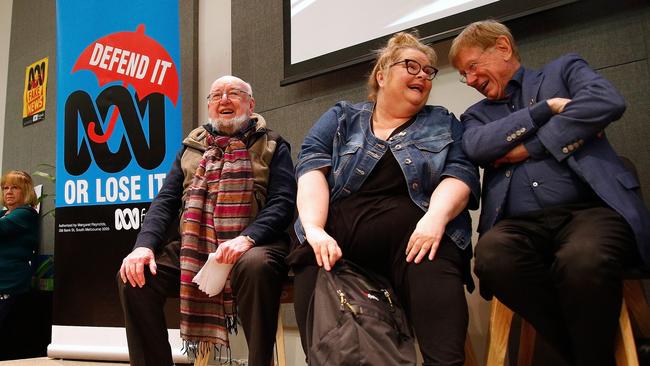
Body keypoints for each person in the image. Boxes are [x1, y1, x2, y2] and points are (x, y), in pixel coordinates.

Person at [449, 20, 650, 366]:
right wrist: (544, 110)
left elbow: (605, 102)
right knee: (493, 258)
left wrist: (532, 147)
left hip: (591, 212)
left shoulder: (564, 70)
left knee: (583, 260)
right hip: (519, 225)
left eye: (472, 67)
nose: (470, 81)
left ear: (502, 47)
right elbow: (478, 146)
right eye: (463, 75)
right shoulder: (475, 116)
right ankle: (589, 356)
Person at [288, 32, 480, 365]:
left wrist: (435, 219)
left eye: (429, 71)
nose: (422, 75)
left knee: (445, 354)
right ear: (382, 74)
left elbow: (460, 176)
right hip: (340, 246)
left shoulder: (443, 122)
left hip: (419, 245)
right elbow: (310, 169)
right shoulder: (342, 118)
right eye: (411, 66)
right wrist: (315, 229)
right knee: (313, 273)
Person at [117, 75, 297, 366]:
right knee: (135, 278)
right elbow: (164, 203)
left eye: (234, 93)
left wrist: (246, 239)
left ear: (250, 104)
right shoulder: (191, 149)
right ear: (210, 106)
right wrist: (144, 246)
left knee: (255, 266)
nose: (224, 99)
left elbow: (283, 203)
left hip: (255, 243)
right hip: (195, 246)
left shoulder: (273, 145)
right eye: (216, 95)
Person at [0, 171, 39, 331]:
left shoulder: (26, 214)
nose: (8, 192)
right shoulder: (3, 214)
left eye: (15, 187)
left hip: (8, 290)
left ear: (26, 191)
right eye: (5, 187)